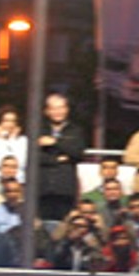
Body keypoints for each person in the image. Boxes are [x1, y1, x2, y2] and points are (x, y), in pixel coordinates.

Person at [35, 92, 86, 222]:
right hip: (43, 189)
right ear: (47, 111)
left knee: (64, 227)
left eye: (61, 107)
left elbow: (77, 152)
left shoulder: (76, 130)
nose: (58, 112)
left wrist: (54, 142)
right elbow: (35, 157)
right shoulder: (38, 130)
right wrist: (58, 159)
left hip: (65, 190)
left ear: (67, 109)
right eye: (54, 108)